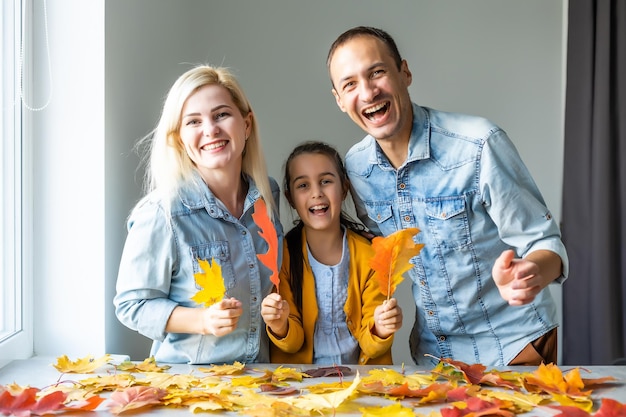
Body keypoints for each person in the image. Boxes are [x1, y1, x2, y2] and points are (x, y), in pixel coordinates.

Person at [326, 26, 569, 366]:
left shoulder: (479, 144)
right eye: (350, 84)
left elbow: (547, 244)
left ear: (404, 73)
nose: (367, 92)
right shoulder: (356, 168)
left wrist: (529, 274)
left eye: (377, 72)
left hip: (515, 349)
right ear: (339, 99)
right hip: (433, 359)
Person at [114, 64, 283, 364]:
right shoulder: (161, 213)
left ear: (246, 124)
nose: (210, 129)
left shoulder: (267, 196)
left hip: (258, 384)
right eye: (193, 121)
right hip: (191, 389)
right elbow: (131, 305)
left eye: (221, 115)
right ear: (180, 139)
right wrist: (202, 321)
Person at [261, 141, 403, 365]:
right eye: (303, 185)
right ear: (290, 198)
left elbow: (372, 346)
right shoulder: (282, 256)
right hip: (300, 386)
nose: (316, 193)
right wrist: (280, 325)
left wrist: (381, 329)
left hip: (360, 383)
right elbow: (292, 344)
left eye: (326, 181)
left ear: (344, 188)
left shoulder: (371, 255)